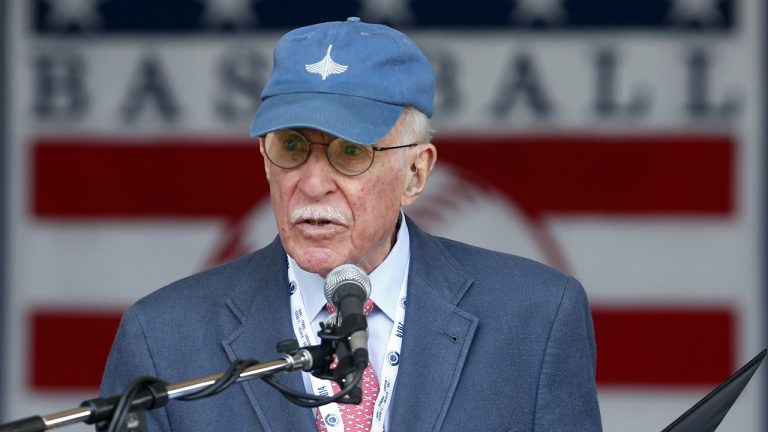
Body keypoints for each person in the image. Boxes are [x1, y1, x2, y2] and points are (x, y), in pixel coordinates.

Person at [101, 18, 602, 431]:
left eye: (350, 152)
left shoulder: (536, 317)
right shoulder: (163, 337)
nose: (313, 183)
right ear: (264, 158)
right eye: (292, 147)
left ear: (416, 172)